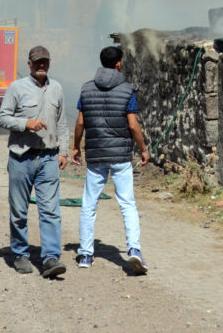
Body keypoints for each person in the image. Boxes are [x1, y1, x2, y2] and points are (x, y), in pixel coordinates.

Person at [69, 45, 150, 275]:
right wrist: (143, 149)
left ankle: (86, 254)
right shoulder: (127, 90)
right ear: (119, 63)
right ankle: (134, 249)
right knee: (127, 203)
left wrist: (76, 147)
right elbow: (133, 125)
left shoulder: (86, 89)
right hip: (121, 156)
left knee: (89, 204)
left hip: (96, 155)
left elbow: (80, 122)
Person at [0, 45, 68, 279]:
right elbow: (2, 118)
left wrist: (64, 152)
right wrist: (25, 124)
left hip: (49, 158)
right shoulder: (16, 88)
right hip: (21, 158)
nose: (41, 65)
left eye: (44, 61)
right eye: (37, 62)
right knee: (19, 210)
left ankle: (50, 258)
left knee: (51, 211)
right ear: (29, 64)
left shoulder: (57, 88)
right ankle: (20, 254)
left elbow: (62, 123)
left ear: (49, 63)